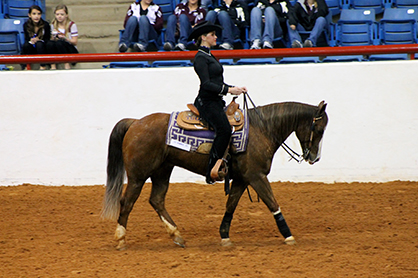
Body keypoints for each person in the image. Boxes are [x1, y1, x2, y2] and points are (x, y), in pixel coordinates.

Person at [189, 21, 247, 184]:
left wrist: (233, 88)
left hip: (215, 100)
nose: (216, 37)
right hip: (207, 102)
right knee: (224, 129)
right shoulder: (200, 58)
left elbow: (216, 82)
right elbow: (206, 84)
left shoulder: (207, 55)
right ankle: (211, 170)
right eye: (213, 35)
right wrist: (229, 90)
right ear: (203, 37)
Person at [47, 4, 78, 70]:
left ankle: (66, 64)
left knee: (60, 43)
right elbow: (52, 40)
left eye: (62, 14)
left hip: (70, 48)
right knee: (50, 43)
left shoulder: (71, 25)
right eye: (57, 14)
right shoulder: (53, 25)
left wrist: (64, 38)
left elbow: (74, 42)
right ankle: (53, 65)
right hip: (58, 47)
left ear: (66, 15)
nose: (59, 17)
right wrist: (54, 37)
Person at [21, 5, 51, 70]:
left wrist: (39, 39)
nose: (36, 16)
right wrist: (31, 40)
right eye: (34, 14)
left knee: (39, 44)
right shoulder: (26, 25)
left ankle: (43, 66)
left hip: (42, 48)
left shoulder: (45, 25)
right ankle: (26, 66)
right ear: (29, 15)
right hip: (32, 47)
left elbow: (47, 39)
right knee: (26, 45)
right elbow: (26, 39)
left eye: (39, 14)